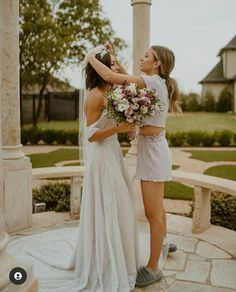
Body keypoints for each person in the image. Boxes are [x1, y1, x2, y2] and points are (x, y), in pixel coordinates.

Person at [25, 46, 140, 292]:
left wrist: (128, 124)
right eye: (112, 63)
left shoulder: (113, 89)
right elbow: (90, 135)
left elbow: (125, 81)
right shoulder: (95, 95)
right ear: (102, 69)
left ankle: (120, 258)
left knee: (122, 205)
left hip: (113, 153)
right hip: (102, 156)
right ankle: (104, 262)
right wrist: (119, 129)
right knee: (109, 204)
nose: (116, 66)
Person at [87, 44, 181, 287]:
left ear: (157, 63)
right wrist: (115, 58)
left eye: (147, 56)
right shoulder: (153, 81)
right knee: (157, 209)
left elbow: (109, 76)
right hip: (153, 149)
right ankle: (162, 242)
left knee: (152, 214)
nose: (142, 57)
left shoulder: (154, 82)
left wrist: (90, 57)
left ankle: (152, 268)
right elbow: (129, 84)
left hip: (153, 153)